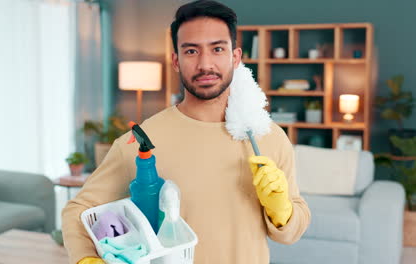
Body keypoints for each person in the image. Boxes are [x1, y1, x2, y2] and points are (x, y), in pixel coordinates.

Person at [62, 1, 311, 263]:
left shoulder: (268, 137)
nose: (205, 64)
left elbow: (292, 232)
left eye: (217, 49)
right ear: (176, 60)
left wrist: (282, 211)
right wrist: (85, 258)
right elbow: (78, 210)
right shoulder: (141, 141)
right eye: (191, 51)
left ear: (235, 57)